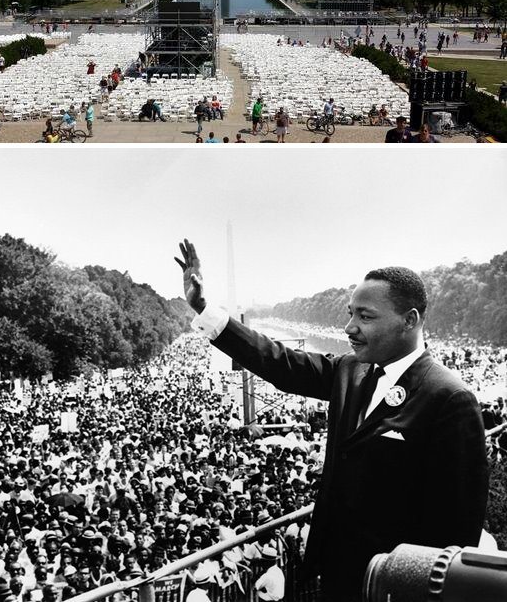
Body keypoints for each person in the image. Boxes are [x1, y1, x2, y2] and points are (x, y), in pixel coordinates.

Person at [175, 239, 488, 602]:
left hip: (394, 586)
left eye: (365, 316)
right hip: (337, 573)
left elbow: (456, 526)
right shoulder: (350, 369)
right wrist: (203, 308)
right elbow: (277, 361)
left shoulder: (449, 397)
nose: (349, 327)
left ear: (410, 320)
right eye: (350, 313)